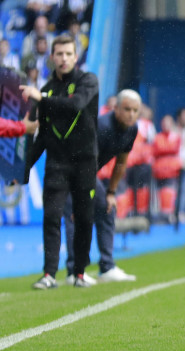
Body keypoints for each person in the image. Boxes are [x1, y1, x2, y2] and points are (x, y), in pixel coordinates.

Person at [21, 35, 99, 289]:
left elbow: (76, 106)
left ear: (76, 57)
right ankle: (49, 275)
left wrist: (41, 99)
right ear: (52, 58)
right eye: (59, 54)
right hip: (57, 163)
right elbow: (41, 136)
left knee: (84, 218)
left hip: (85, 161)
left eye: (68, 54)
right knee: (51, 217)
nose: (64, 58)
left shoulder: (88, 81)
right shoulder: (46, 89)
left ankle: (78, 272)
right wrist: (23, 169)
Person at [63, 89, 141, 284]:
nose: (131, 114)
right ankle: (74, 272)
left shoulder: (132, 129)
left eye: (135, 110)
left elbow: (121, 162)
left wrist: (111, 193)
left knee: (106, 208)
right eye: (127, 109)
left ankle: (106, 267)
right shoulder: (102, 127)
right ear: (116, 108)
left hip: (87, 173)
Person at [153, 115, 181, 222]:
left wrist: (164, 148)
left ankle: (169, 216)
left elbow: (174, 148)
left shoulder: (175, 136)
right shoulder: (158, 137)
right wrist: (167, 148)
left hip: (172, 171)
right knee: (159, 193)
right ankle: (161, 216)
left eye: (168, 123)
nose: (166, 125)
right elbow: (156, 149)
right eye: (164, 123)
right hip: (159, 171)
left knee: (170, 193)